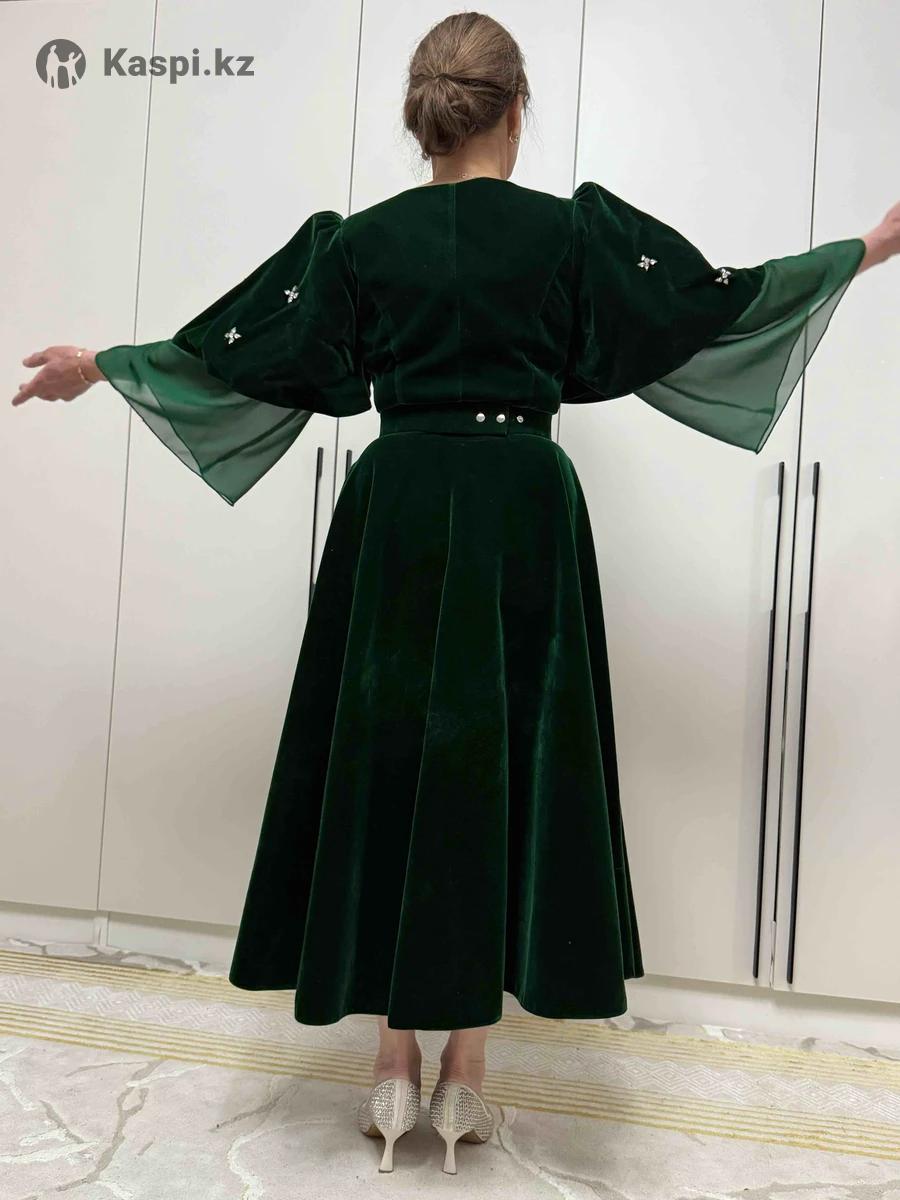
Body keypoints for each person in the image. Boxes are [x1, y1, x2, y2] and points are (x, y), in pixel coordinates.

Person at [12, 8, 898, 1180]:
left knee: (394, 758)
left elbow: (239, 349)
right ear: (516, 111)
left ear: (421, 120)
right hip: (523, 511)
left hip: (399, 511)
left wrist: (101, 366)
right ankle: (467, 1071)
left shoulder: (358, 244)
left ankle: (393, 1062)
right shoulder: (571, 234)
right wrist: (867, 249)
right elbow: (707, 303)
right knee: (498, 764)